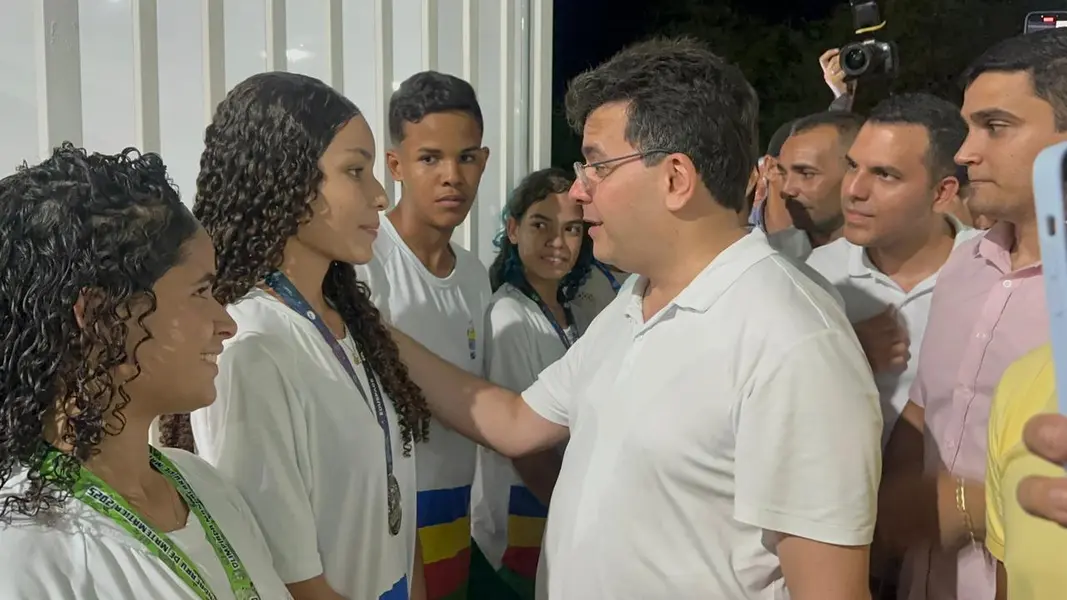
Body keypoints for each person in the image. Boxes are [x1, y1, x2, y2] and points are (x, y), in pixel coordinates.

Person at [389, 37, 882, 600]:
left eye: (597, 166)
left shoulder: (794, 341)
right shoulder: (632, 303)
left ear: (675, 178)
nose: (578, 192)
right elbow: (515, 423)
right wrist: (370, 330)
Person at [163, 71, 432, 600]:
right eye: (355, 171)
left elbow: (394, 515)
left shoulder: (350, 323)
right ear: (285, 180)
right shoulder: (250, 347)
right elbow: (287, 579)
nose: (381, 196)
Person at [0, 144, 292, 599]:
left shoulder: (204, 487)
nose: (227, 324)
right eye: (200, 292)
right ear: (100, 316)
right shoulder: (28, 553)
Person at [879, 28, 1067, 600]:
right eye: (968, 128)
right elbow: (925, 408)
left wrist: (968, 507)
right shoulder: (964, 265)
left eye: (996, 126)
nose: (964, 153)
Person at [354, 70, 492, 600]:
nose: (451, 176)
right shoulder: (364, 263)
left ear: (483, 161)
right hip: (385, 516)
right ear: (396, 166)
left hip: (455, 512)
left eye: (466, 157)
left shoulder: (476, 276)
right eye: (430, 158)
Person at [807, 92, 977, 450]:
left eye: (884, 175)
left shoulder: (995, 272)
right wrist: (844, 355)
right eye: (852, 166)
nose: (854, 190)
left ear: (942, 192)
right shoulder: (817, 276)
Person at [469, 167, 595, 600]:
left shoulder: (572, 313)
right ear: (513, 229)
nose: (558, 241)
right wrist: (579, 516)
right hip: (518, 528)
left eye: (572, 229)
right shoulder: (509, 316)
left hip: (548, 519)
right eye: (541, 225)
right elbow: (523, 446)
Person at [775, 110, 866, 261]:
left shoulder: (892, 263)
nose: (786, 189)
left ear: (853, 173)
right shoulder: (768, 255)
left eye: (806, 174)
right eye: (783, 173)